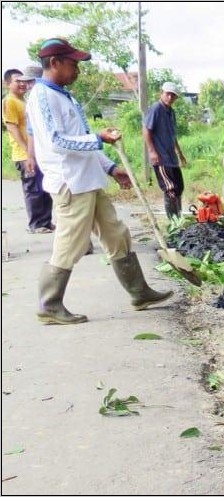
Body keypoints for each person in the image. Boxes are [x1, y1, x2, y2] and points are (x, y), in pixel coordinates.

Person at [25, 37, 173, 325]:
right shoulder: (42, 97)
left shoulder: (65, 96)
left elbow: (83, 143)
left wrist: (110, 167)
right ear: (54, 63)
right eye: (73, 64)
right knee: (70, 245)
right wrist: (98, 138)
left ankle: (139, 292)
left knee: (116, 235)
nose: (77, 70)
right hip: (70, 184)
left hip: (89, 180)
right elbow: (57, 142)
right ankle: (49, 304)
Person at [2, 67, 54, 234]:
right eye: (17, 81)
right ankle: (37, 224)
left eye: (23, 81)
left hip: (36, 153)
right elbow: (12, 128)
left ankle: (45, 222)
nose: (22, 84)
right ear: (7, 84)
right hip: (24, 154)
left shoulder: (24, 101)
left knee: (44, 187)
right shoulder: (9, 101)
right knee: (33, 189)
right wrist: (27, 152)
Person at [143, 81, 188, 219]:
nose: (170, 98)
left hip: (172, 158)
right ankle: (173, 222)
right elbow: (146, 130)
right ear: (161, 93)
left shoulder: (171, 112)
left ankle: (178, 218)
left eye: (173, 96)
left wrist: (180, 154)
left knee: (179, 187)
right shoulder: (156, 109)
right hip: (161, 158)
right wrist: (152, 151)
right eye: (168, 94)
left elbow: (173, 135)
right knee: (170, 189)